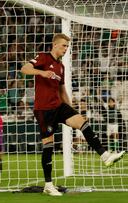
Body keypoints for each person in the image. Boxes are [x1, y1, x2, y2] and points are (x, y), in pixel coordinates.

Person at [21, 33, 125, 196]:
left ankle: (105, 155)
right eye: (63, 45)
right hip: (44, 110)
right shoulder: (43, 57)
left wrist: (71, 109)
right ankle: (49, 185)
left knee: (82, 121)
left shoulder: (61, 67)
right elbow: (24, 69)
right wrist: (41, 73)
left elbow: (62, 90)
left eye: (67, 46)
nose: (66, 49)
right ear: (54, 45)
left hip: (59, 106)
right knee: (48, 145)